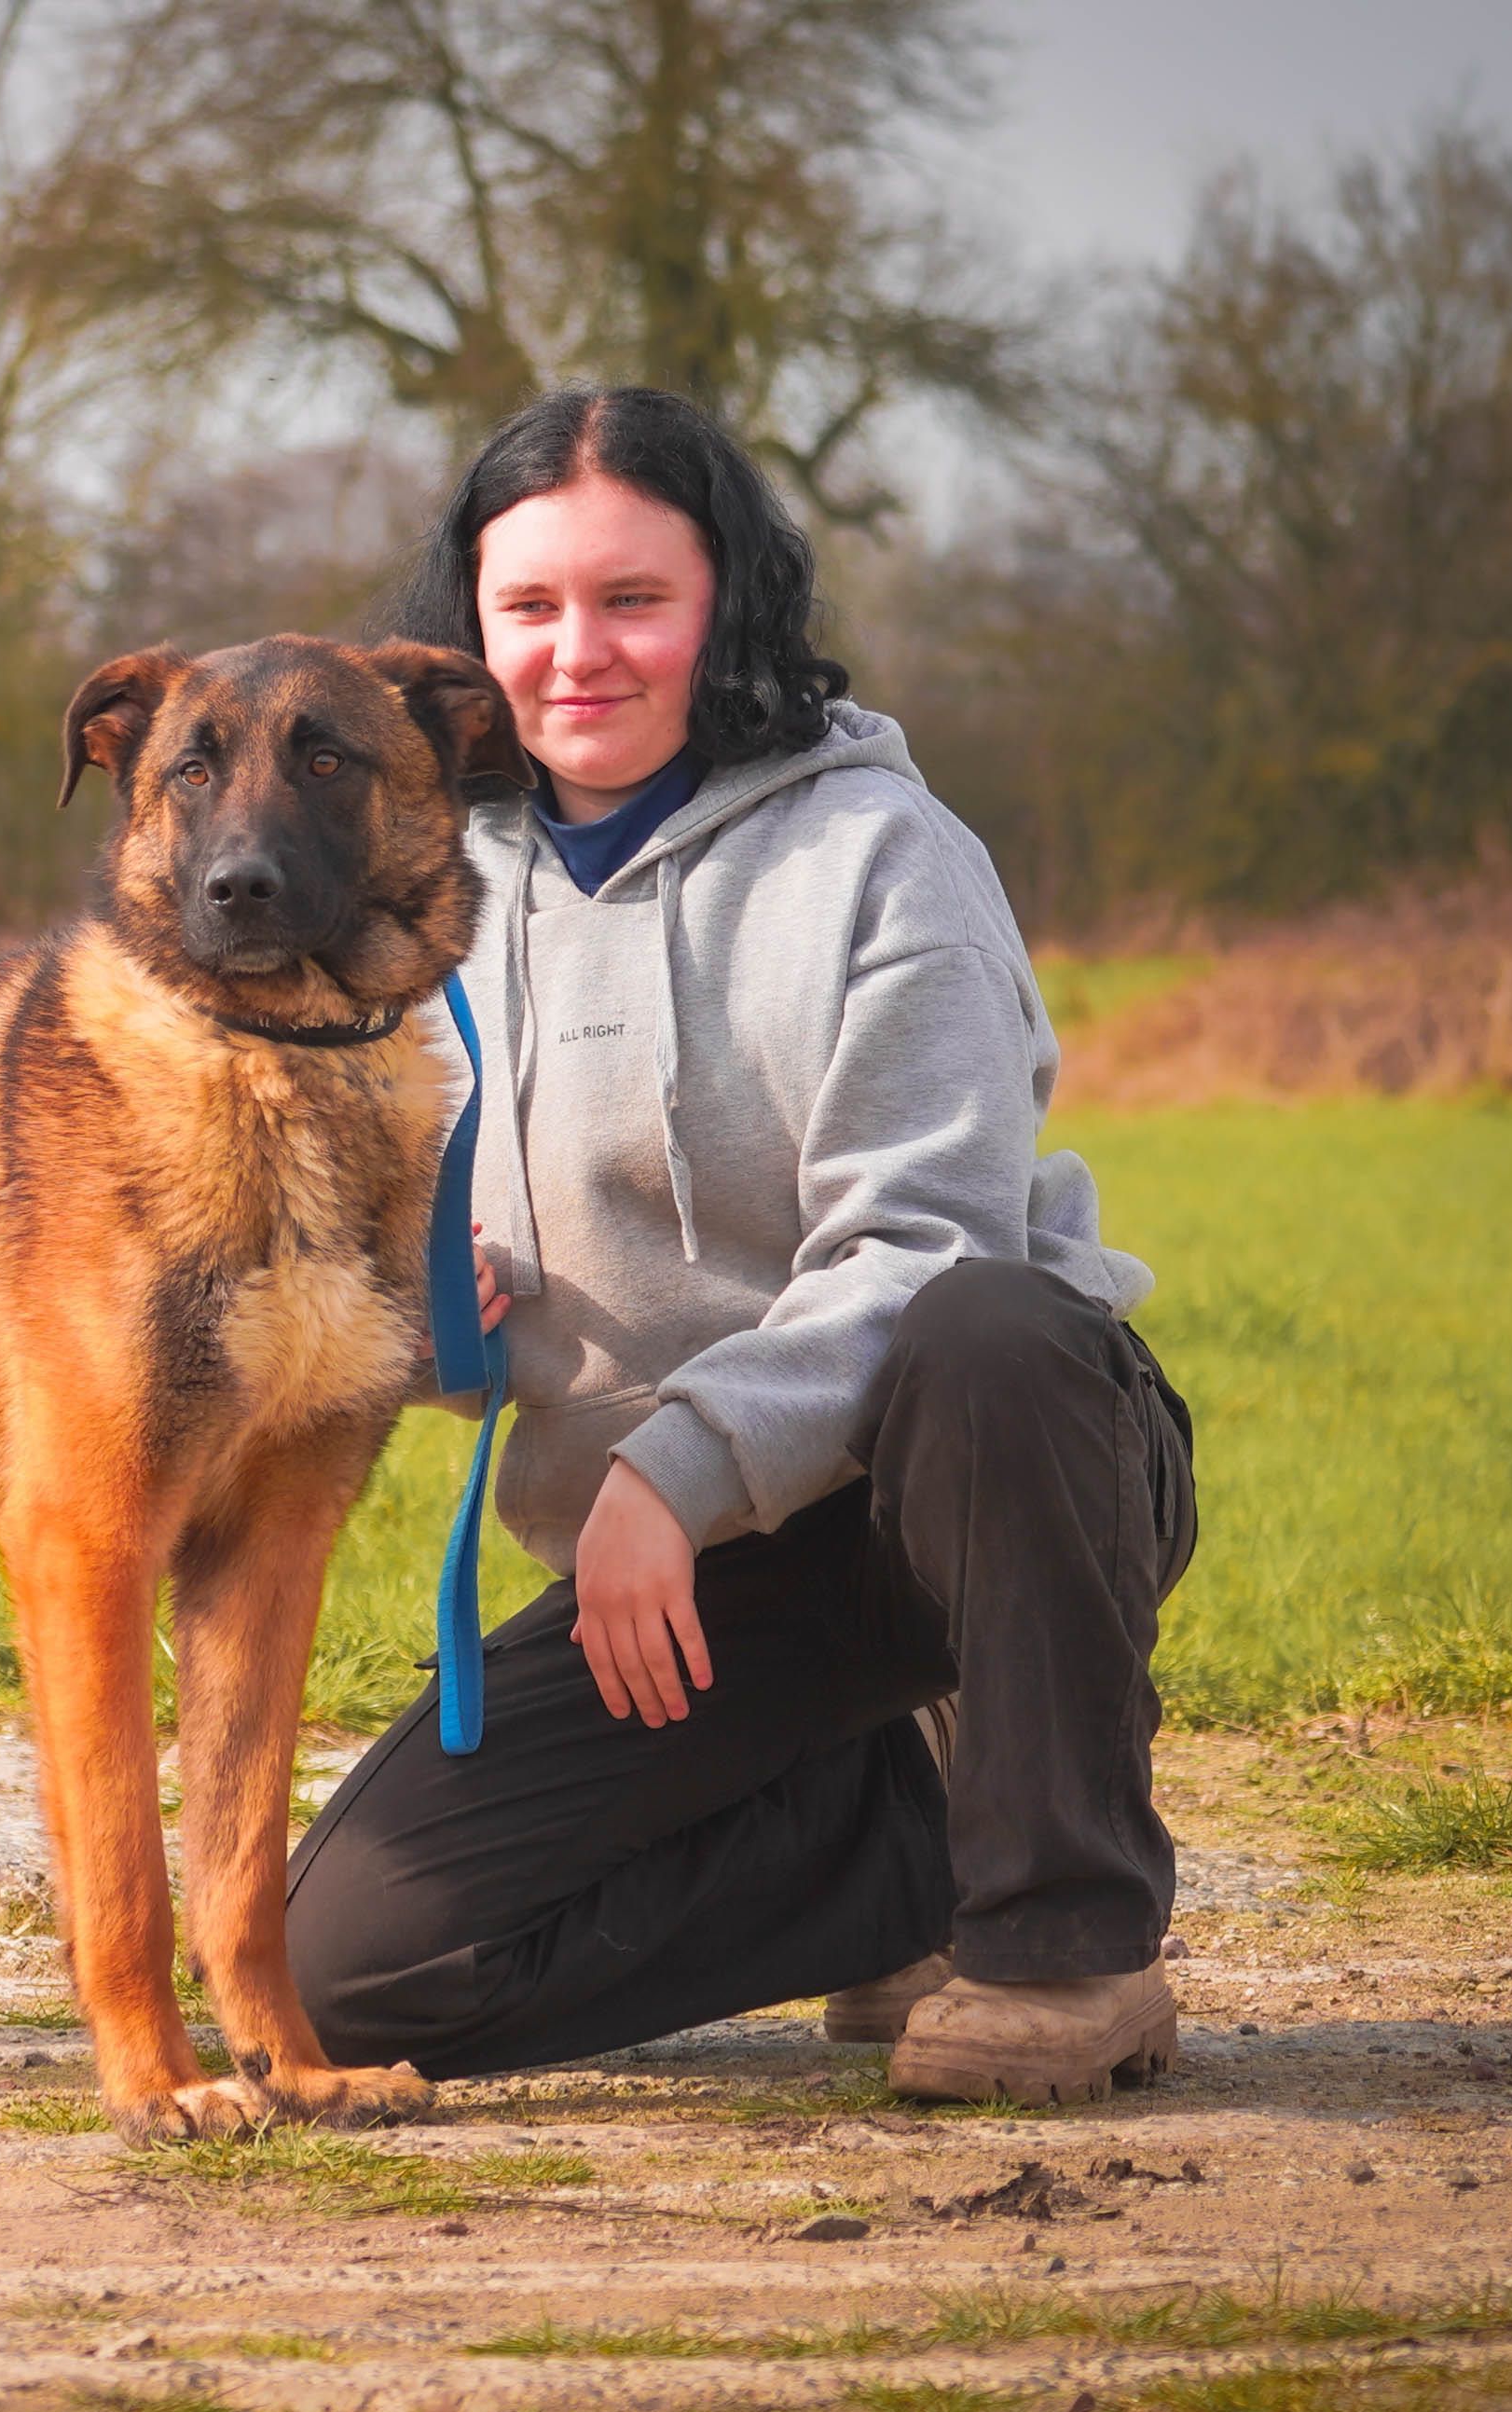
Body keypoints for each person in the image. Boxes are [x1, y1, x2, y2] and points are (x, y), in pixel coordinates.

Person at [283, 386, 1201, 2105]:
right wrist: (417, 1316)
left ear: (728, 608)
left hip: (972, 1494)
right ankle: (904, 1845)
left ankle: (1065, 1943)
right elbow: (395, 1220)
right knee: (355, 1973)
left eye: (636, 599)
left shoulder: (881, 854)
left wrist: (681, 1468)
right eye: (530, 606)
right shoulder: (426, 894)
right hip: (694, 1582)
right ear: (467, 633)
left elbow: (924, 1243)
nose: (579, 654)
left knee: (996, 1323)